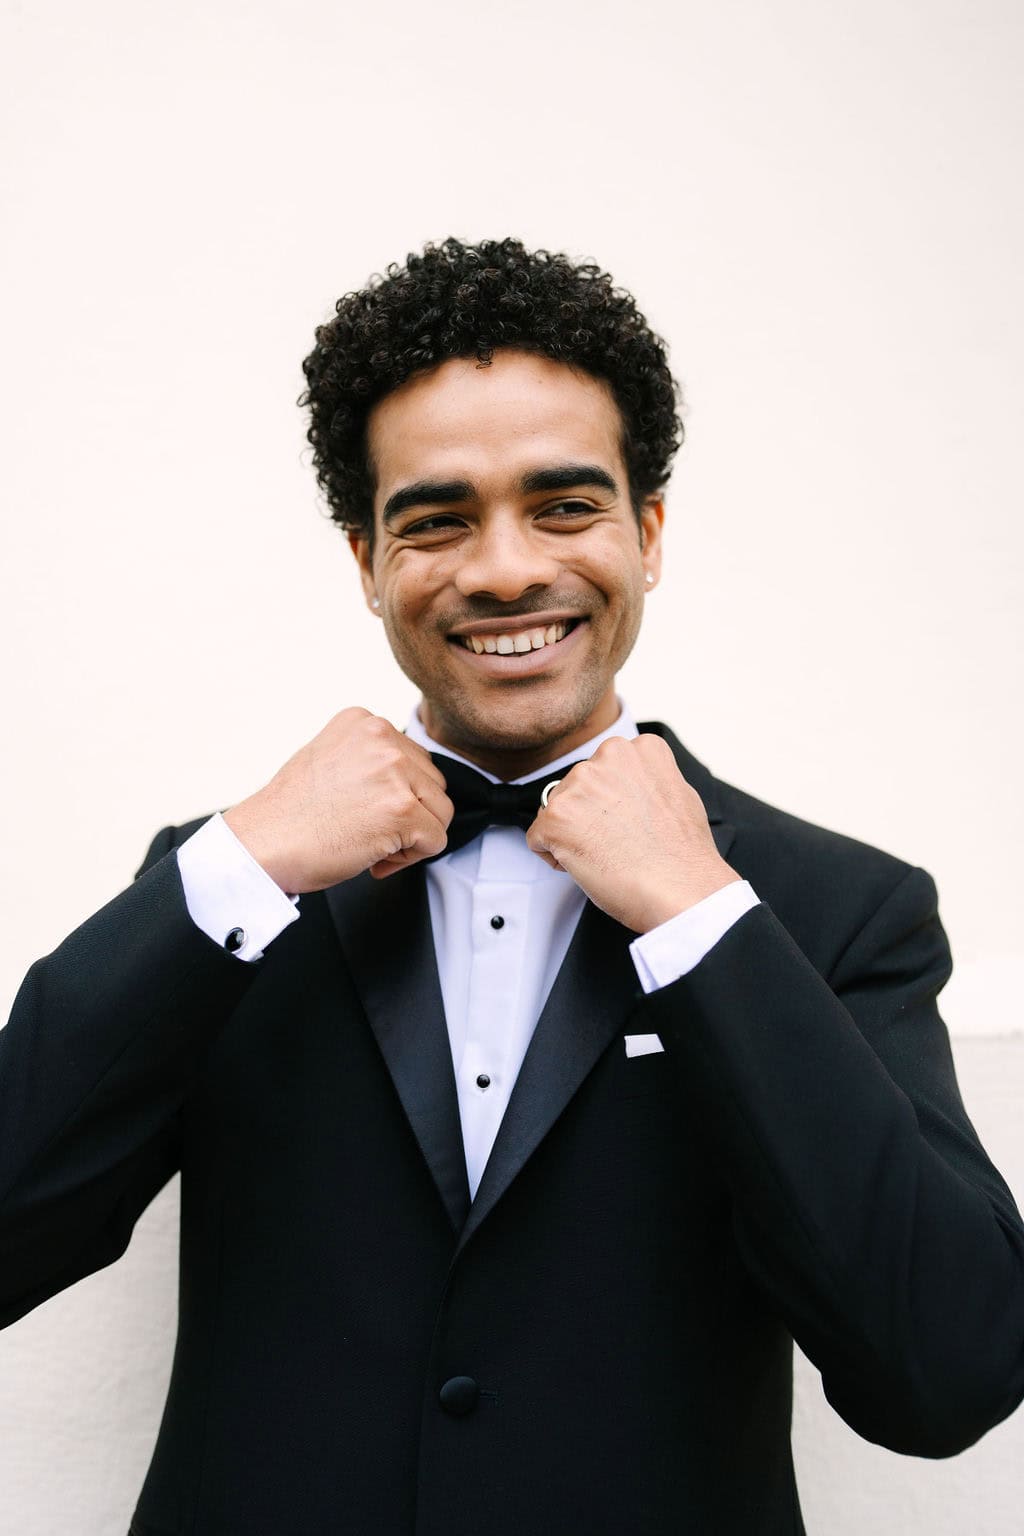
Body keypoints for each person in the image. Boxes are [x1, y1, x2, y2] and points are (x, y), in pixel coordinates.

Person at [1, 237, 1022, 1536]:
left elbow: (947, 1371)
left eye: (564, 505)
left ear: (648, 534)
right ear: (366, 561)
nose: (500, 570)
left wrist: (704, 917)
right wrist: (236, 859)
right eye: (435, 520)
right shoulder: (231, 894)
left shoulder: (835, 911)